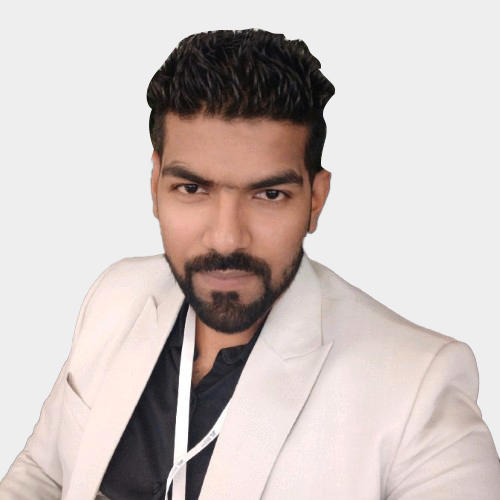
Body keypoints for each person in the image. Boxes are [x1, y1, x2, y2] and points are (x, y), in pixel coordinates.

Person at [1, 28, 499, 500]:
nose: (226, 237)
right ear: (155, 186)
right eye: (192, 188)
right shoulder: (116, 294)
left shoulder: (419, 387)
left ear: (316, 200)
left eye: (269, 194)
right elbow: (43, 473)